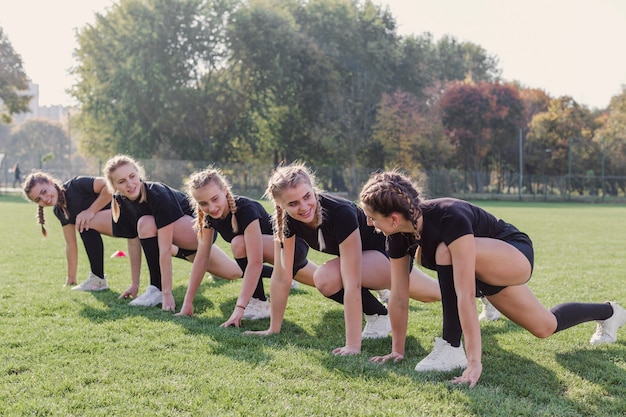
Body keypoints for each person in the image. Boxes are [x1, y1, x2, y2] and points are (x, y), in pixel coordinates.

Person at [359, 170, 626, 387]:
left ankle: (452, 347)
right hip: (479, 272)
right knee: (544, 326)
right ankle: (610, 312)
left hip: (512, 255)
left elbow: (464, 296)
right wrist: (397, 350)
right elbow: (399, 296)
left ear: (394, 218)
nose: (370, 224)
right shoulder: (396, 237)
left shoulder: (449, 216)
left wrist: (474, 362)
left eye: (372, 218)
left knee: (443, 251)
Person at [247, 163, 442, 356]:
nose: (304, 207)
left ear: (313, 189)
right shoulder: (286, 221)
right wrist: (273, 328)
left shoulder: (340, 212)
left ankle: (466, 295)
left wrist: (352, 346)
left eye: (307, 196)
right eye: (293, 203)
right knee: (325, 279)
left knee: (434, 294)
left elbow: (352, 284)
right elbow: (282, 276)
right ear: (281, 205)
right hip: (363, 262)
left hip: (388, 257)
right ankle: (379, 314)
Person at [177, 167, 317, 324]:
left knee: (239, 244)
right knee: (324, 281)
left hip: (292, 247)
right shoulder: (209, 218)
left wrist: (240, 308)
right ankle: (289, 279)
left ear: (224, 190)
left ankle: (260, 301)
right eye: (203, 203)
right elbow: (201, 259)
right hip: (279, 258)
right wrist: (187, 303)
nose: (211, 207)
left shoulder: (245, 209)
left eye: (215, 199)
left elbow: (255, 263)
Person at [103, 155, 243, 311]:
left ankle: (155, 288)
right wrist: (134, 285)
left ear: (138, 174)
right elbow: (133, 242)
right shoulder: (121, 201)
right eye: (122, 181)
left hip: (197, 233)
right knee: (235, 272)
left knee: (146, 223)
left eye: (132, 176)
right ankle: (271, 272)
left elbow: (164, 249)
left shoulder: (156, 193)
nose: (130, 184)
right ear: (113, 186)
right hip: (178, 242)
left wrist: (166, 293)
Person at [23, 171, 141, 290]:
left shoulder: (76, 185)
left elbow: (110, 186)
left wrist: (90, 211)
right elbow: (71, 244)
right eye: (38, 199)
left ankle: (98, 278)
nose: (44, 199)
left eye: (44, 191)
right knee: (83, 222)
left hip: (131, 215)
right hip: (119, 226)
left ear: (51, 183)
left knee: (84, 221)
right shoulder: (59, 211)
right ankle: (98, 279)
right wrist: (71, 277)